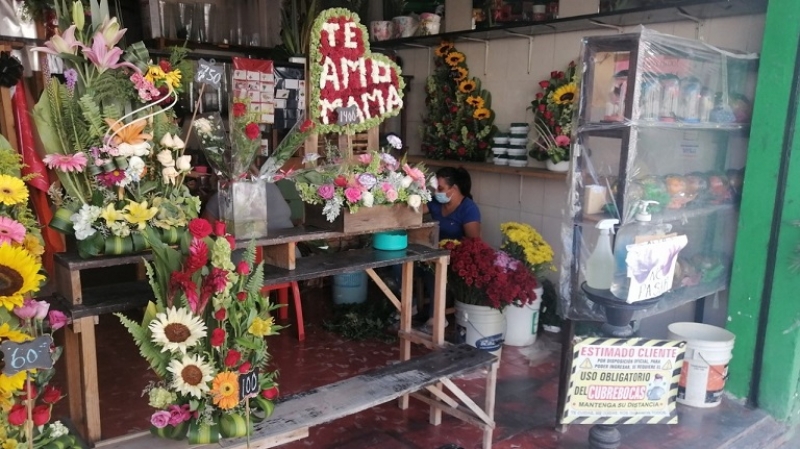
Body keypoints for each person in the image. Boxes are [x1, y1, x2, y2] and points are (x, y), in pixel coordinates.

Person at [202, 181, 295, 234]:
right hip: (292, 255)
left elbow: (204, 230)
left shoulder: (223, 196)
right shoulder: (272, 186)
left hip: (247, 261)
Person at [426, 166, 481, 240]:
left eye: (440, 188)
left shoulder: (469, 209)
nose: (436, 193)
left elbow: (474, 243)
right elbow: (414, 210)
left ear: (454, 188)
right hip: (436, 249)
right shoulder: (435, 202)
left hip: (458, 250)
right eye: (435, 189)